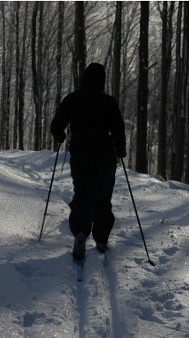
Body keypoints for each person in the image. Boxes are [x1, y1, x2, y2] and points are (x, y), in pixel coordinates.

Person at [49, 62, 127, 261]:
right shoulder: (108, 102)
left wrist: (60, 136)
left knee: (82, 193)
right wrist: (120, 149)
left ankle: (81, 233)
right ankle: (101, 238)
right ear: (102, 80)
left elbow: (56, 125)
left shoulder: (73, 99)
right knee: (102, 195)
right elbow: (118, 128)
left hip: (81, 150)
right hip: (104, 152)